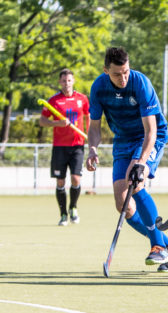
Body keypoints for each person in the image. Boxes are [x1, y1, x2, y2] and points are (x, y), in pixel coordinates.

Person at [85, 47, 168, 272]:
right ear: (106, 70)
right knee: (123, 205)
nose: (123, 78)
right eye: (117, 74)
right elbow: (95, 127)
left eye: (126, 71)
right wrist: (92, 149)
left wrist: (141, 162)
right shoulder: (99, 87)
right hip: (122, 138)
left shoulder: (140, 83)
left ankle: (157, 246)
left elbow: (151, 131)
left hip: (149, 137)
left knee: (135, 182)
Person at [39, 69, 90, 226]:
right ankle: (63, 214)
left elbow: (89, 117)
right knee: (60, 182)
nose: (66, 83)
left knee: (75, 178)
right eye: (63, 81)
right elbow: (42, 120)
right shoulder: (53, 101)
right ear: (59, 82)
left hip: (77, 145)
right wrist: (57, 123)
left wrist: (89, 135)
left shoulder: (82, 99)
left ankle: (73, 208)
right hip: (60, 147)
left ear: (73, 81)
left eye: (69, 80)